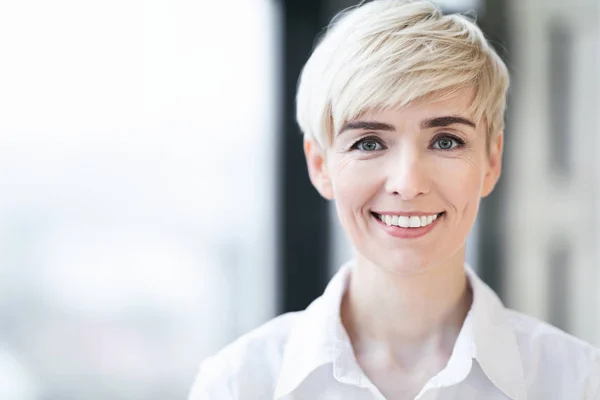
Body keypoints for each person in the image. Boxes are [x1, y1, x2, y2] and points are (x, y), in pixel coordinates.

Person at [188, 0, 600, 398]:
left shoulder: (578, 383)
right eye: (369, 143)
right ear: (320, 166)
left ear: (491, 161)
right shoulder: (237, 384)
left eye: (445, 140)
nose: (407, 183)